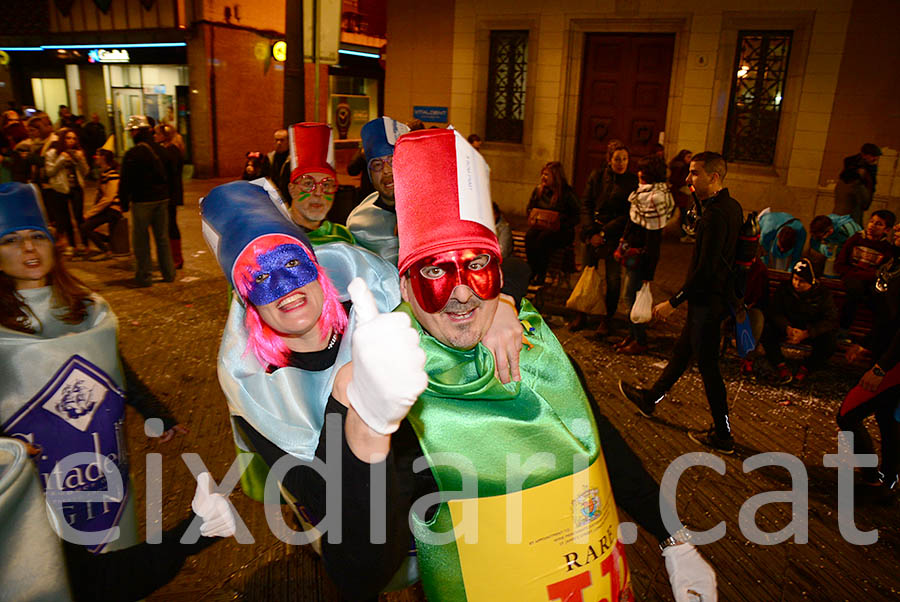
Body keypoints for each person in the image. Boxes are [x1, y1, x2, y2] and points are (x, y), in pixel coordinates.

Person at [247, 128, 717, 601]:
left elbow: (598, 437)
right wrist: (368, 427)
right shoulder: (379, 379)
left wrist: (674, 539)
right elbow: (357, 571)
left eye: (475, 264)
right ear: (404, 287)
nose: (461, 290)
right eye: (434, 269)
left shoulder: (532, 345)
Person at [0, 182, 192, 561]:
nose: (28, 248)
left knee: (114, 563)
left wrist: (155, 412)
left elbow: (113, 368)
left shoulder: (88, 309)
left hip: (102, 470)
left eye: (37, 236)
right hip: (33, 476)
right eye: (10, 239)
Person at [200, 179, 400, 503]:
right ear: (247, 301)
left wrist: (499, 307)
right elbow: (316, 499)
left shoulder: (376, 310)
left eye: (291, 263)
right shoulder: (253, 386)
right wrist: (342, 396)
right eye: (260, 277)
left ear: (318, 269)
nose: (283, 286)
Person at [618, 151, 744, 454]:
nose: (687, 179)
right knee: (681, 353)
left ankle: (723, 435)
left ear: (714, 177)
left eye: (695, 173)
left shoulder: (715, 215)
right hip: (711, 299)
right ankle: (651, 398)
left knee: (709, 368)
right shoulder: (729, 207)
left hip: (707, 302)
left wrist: (673, 302)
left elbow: (706, 268)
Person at [839, 222, 900, 494]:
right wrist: (865, 344)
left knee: (847, 414)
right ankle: (887, 481)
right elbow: (886, 319)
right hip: (884, 352)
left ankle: (873, 477)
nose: (898, 229)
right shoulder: (890, 265)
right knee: (888, 419)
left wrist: (880, 368)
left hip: (894, 362)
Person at [576, 140, 639, 335]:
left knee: (613, 279)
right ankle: (583, 314)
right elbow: (586, 203)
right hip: (593, 232)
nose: (621, 163)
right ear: (609, 160)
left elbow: (629, 214)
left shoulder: (631, 181)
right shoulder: (597, 176)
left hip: (614, 236)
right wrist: (591, 232)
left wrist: (605, 233)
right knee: (588, 274)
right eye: (617, 159)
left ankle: (607, 318)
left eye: (625, 159)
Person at [615, 154, 674, 354]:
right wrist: (622, 243)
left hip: (641, 259)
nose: (638, 173)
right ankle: (632, 335)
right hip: (633, 253)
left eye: (642, 171)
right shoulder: (643, 194)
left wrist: (649, 274)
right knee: (630, 297)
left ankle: (640, 340)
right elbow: (631, 223)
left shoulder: (655, 199)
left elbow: (653, 239)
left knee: (630, 298)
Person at [118, 115, 176, 287]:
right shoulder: (161, 150)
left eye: (131, 131)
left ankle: (144, 276)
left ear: (136, 132)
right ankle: (169, 273)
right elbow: (172, 175)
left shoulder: (133, 154)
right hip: (162, 199)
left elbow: (126, 181)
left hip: (142, 201)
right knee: (162, 238)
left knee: (141, 240)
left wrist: (123, 202)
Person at [760, 258, 838, 385]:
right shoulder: (785, 289)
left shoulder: (823, 294)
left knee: (829, 341)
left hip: (809, 329)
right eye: (795, 279)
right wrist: (786, 327)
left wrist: (808, 333)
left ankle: (806, 369)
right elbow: (774, 311)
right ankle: (780, 366)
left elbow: (830, 320)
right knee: (767, 330)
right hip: (788, 327)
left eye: (801, 281)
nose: (796, 284)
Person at [346, 116, 410, 264]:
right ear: (369, 175)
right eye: (377, 165)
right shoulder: (358, 223)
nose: (386, 171)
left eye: (393, 161)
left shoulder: (431, 211)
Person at [281, 122, 354, 245]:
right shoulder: (275, 234)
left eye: (326, 185)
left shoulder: (342, 237)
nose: (318, 193)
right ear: (291, 190)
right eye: (309, 184)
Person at [835, 209, 896, 338]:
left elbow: (880, 272)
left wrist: (867, 275)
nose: (872, 226)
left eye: (878, 224)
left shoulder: (886, 248)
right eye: (871, 221)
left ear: (887, 230)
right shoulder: (856, 239)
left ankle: (872, 336)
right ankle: (843, 329)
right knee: (854, 290)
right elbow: (840, 264)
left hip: (869, 282)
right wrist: (855, 273)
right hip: (852, 277)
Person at [524, 160, 579, 286]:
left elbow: (577, 216)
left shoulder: (567, 193)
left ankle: (541, 274)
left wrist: (560, 222)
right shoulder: (539, 191)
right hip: (541, 226)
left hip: (561, 231)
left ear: (556, 177)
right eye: (543, 174)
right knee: (530, 236)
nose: (544, 177)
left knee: (543, 239)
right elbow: (530, 207)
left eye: (547, 175)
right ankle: (532, 270)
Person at [44, 128, 90, 256]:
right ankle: (72, 245)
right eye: (68, 138)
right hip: (60, 188)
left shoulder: (78, 153)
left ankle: (84, 244)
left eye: (74, 138)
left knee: (79, 216)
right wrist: (61, 160)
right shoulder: (52, 153)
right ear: (62, 139)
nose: (71, 141)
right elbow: (50, 172)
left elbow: (86, 172)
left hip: (76, 187)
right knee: (65, 218)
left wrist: (80, 159)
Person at [80, 147, 123, 261]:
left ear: (103, 157)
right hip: (108, 209)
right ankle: (109, 242)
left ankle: (106, 250)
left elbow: (108, 198)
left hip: (112, 209)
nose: (95, 157)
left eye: (98, 155)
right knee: (86, 227)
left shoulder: (112, 175)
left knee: (85, 227)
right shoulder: (105, 173)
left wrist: (90, 213)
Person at [155, 123, 186, 269]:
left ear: (164, 136)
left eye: (157, 133)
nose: (154, 136)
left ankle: (176, 258)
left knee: (171, 225)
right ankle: (172, 257)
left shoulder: (171, 151)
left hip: (170, 194)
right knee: (168, 225)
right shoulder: (168, 150)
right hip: (170, 193)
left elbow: (170, 174)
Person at [668, 149, 693, 241]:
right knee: (682, 215)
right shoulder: (681, 167)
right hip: (679, 193)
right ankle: (684, 235)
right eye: (688, 157)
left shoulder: (682, 166)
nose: (690, 159)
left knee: (677, 214)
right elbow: (677, 180)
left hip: (679, 193)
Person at [266, 128, 291, 201]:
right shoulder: (269, 158)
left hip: (288, 198)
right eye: (276, 140)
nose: (279, 143)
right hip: (273, 198)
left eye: (282, 140)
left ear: (288, 142)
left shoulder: (293, 159)